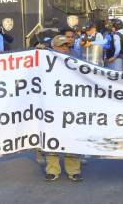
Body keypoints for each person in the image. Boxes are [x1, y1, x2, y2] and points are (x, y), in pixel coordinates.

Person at [44, 35, 82, 182]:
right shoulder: (44, 59)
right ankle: (52, 170)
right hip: (51, 106)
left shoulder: (76, 61)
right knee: (51, 137)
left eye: (67, 46)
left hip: (70, 105)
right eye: (61, 46)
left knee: (71, 137)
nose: (65, 48)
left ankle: (74, 170)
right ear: (53, 47)